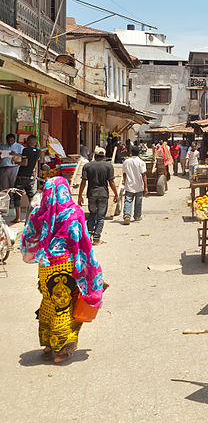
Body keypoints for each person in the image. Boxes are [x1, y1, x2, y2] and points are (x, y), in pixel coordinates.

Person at [20, 176, 104, 363]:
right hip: (65, 264)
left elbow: (28, 237)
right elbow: (80, 241)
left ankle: (49, 344)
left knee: (49, 302)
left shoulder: (40, 212)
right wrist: (89, 267)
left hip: (45, 266)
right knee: (65, 306)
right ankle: (61, 350)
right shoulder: (73, 213)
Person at [78, 146, 119, 245]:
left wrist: (80, 195)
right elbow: (111, 182)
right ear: (104, 156)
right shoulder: (108, 166)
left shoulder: (87, 166)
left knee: (92, 214)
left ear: (94, 155)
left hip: (91, 194)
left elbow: (83, 182)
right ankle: (96, 239)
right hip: (103, 194)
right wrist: (116, 194)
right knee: (100, 217)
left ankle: (88, 236)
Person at [12, 135, 42, 223]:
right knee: (31, 197)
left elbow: (24, 163)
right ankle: (32, 217)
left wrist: (16, 162)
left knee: (17, 196)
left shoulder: (26, 150)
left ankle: (17, 217)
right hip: (30, 177)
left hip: (21, 176)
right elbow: (31, 160)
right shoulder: (38, 151)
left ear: (28, 142)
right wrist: (16, 155)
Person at [121, 145, 148, 224]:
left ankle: (127, 216)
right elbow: (144, 175)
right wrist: (146, 187)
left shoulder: (126, 162)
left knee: (128, 200)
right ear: (139, 153)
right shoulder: (141, 162)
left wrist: (125, 182)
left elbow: (124, 174)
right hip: (139, 185)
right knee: (138, 201)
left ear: (131, 153)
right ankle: (137, 216)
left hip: (129, 185)